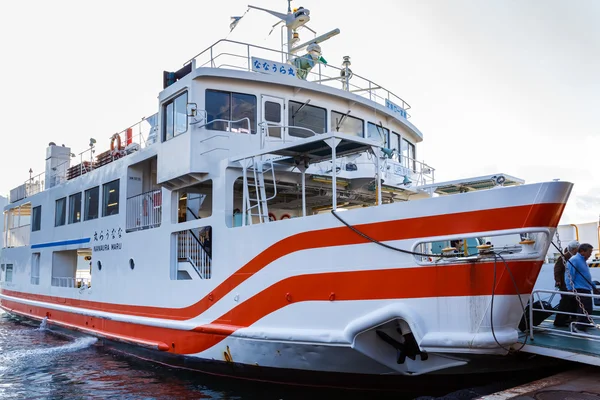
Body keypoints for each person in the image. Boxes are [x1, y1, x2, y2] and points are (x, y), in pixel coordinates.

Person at [564, 243, 597, 332]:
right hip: (580, 288)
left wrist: (593, 286)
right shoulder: (575, 260)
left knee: (588, 308)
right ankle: (579, 326)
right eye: (589, 252)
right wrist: (570, 288)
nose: (590, 254)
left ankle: (585, 323)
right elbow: (569, 275)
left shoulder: (582, 260)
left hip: (586, 288)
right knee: (584, 308)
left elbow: (585, 276)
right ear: (582, 251)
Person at [553, 240, 579, 327]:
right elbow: (557, 269)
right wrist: (558, 280)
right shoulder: (564, 257)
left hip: (571, 284)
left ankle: (570, 318)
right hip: (564, 284)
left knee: (572, 301)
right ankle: (559, 321)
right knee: (565, 302)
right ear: (575, 249)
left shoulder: (574, 257)